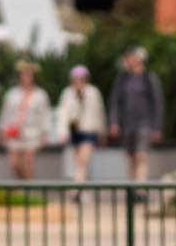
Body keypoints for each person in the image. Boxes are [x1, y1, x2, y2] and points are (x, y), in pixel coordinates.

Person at [108, 46, 164, 181]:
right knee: (131, 157)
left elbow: (157, 103)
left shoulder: (149, 78)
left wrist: (157, 127)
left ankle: (141, 189)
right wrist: (114, 122)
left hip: (145, 124)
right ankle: (132, 189)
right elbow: (115, 101)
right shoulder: (122, 79)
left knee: (141, 155)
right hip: (127, 125)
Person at [0, 60, 54, 181]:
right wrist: (2, 131)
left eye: (29, 75)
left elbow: (45, 115)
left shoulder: (40, 95)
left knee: (28, 164)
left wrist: (45, 134)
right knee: (14, 164)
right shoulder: (11, 94)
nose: (26, 77)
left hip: (32, 134)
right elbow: (5, 114)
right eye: (24, 74)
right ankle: (21, 187)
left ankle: (27, 191)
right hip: (14, 134)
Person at [54, 64, 105, 183]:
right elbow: (63, 114)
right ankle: (82, 187)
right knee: (79, 162)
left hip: (89, 131)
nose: (78, 81)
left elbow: (99, 112)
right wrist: (62, 132)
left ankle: (76, 189)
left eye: (81, 78)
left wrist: (102, 131)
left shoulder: (93, 92)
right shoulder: (67, 93)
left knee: (83, 160)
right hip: (74, 132)